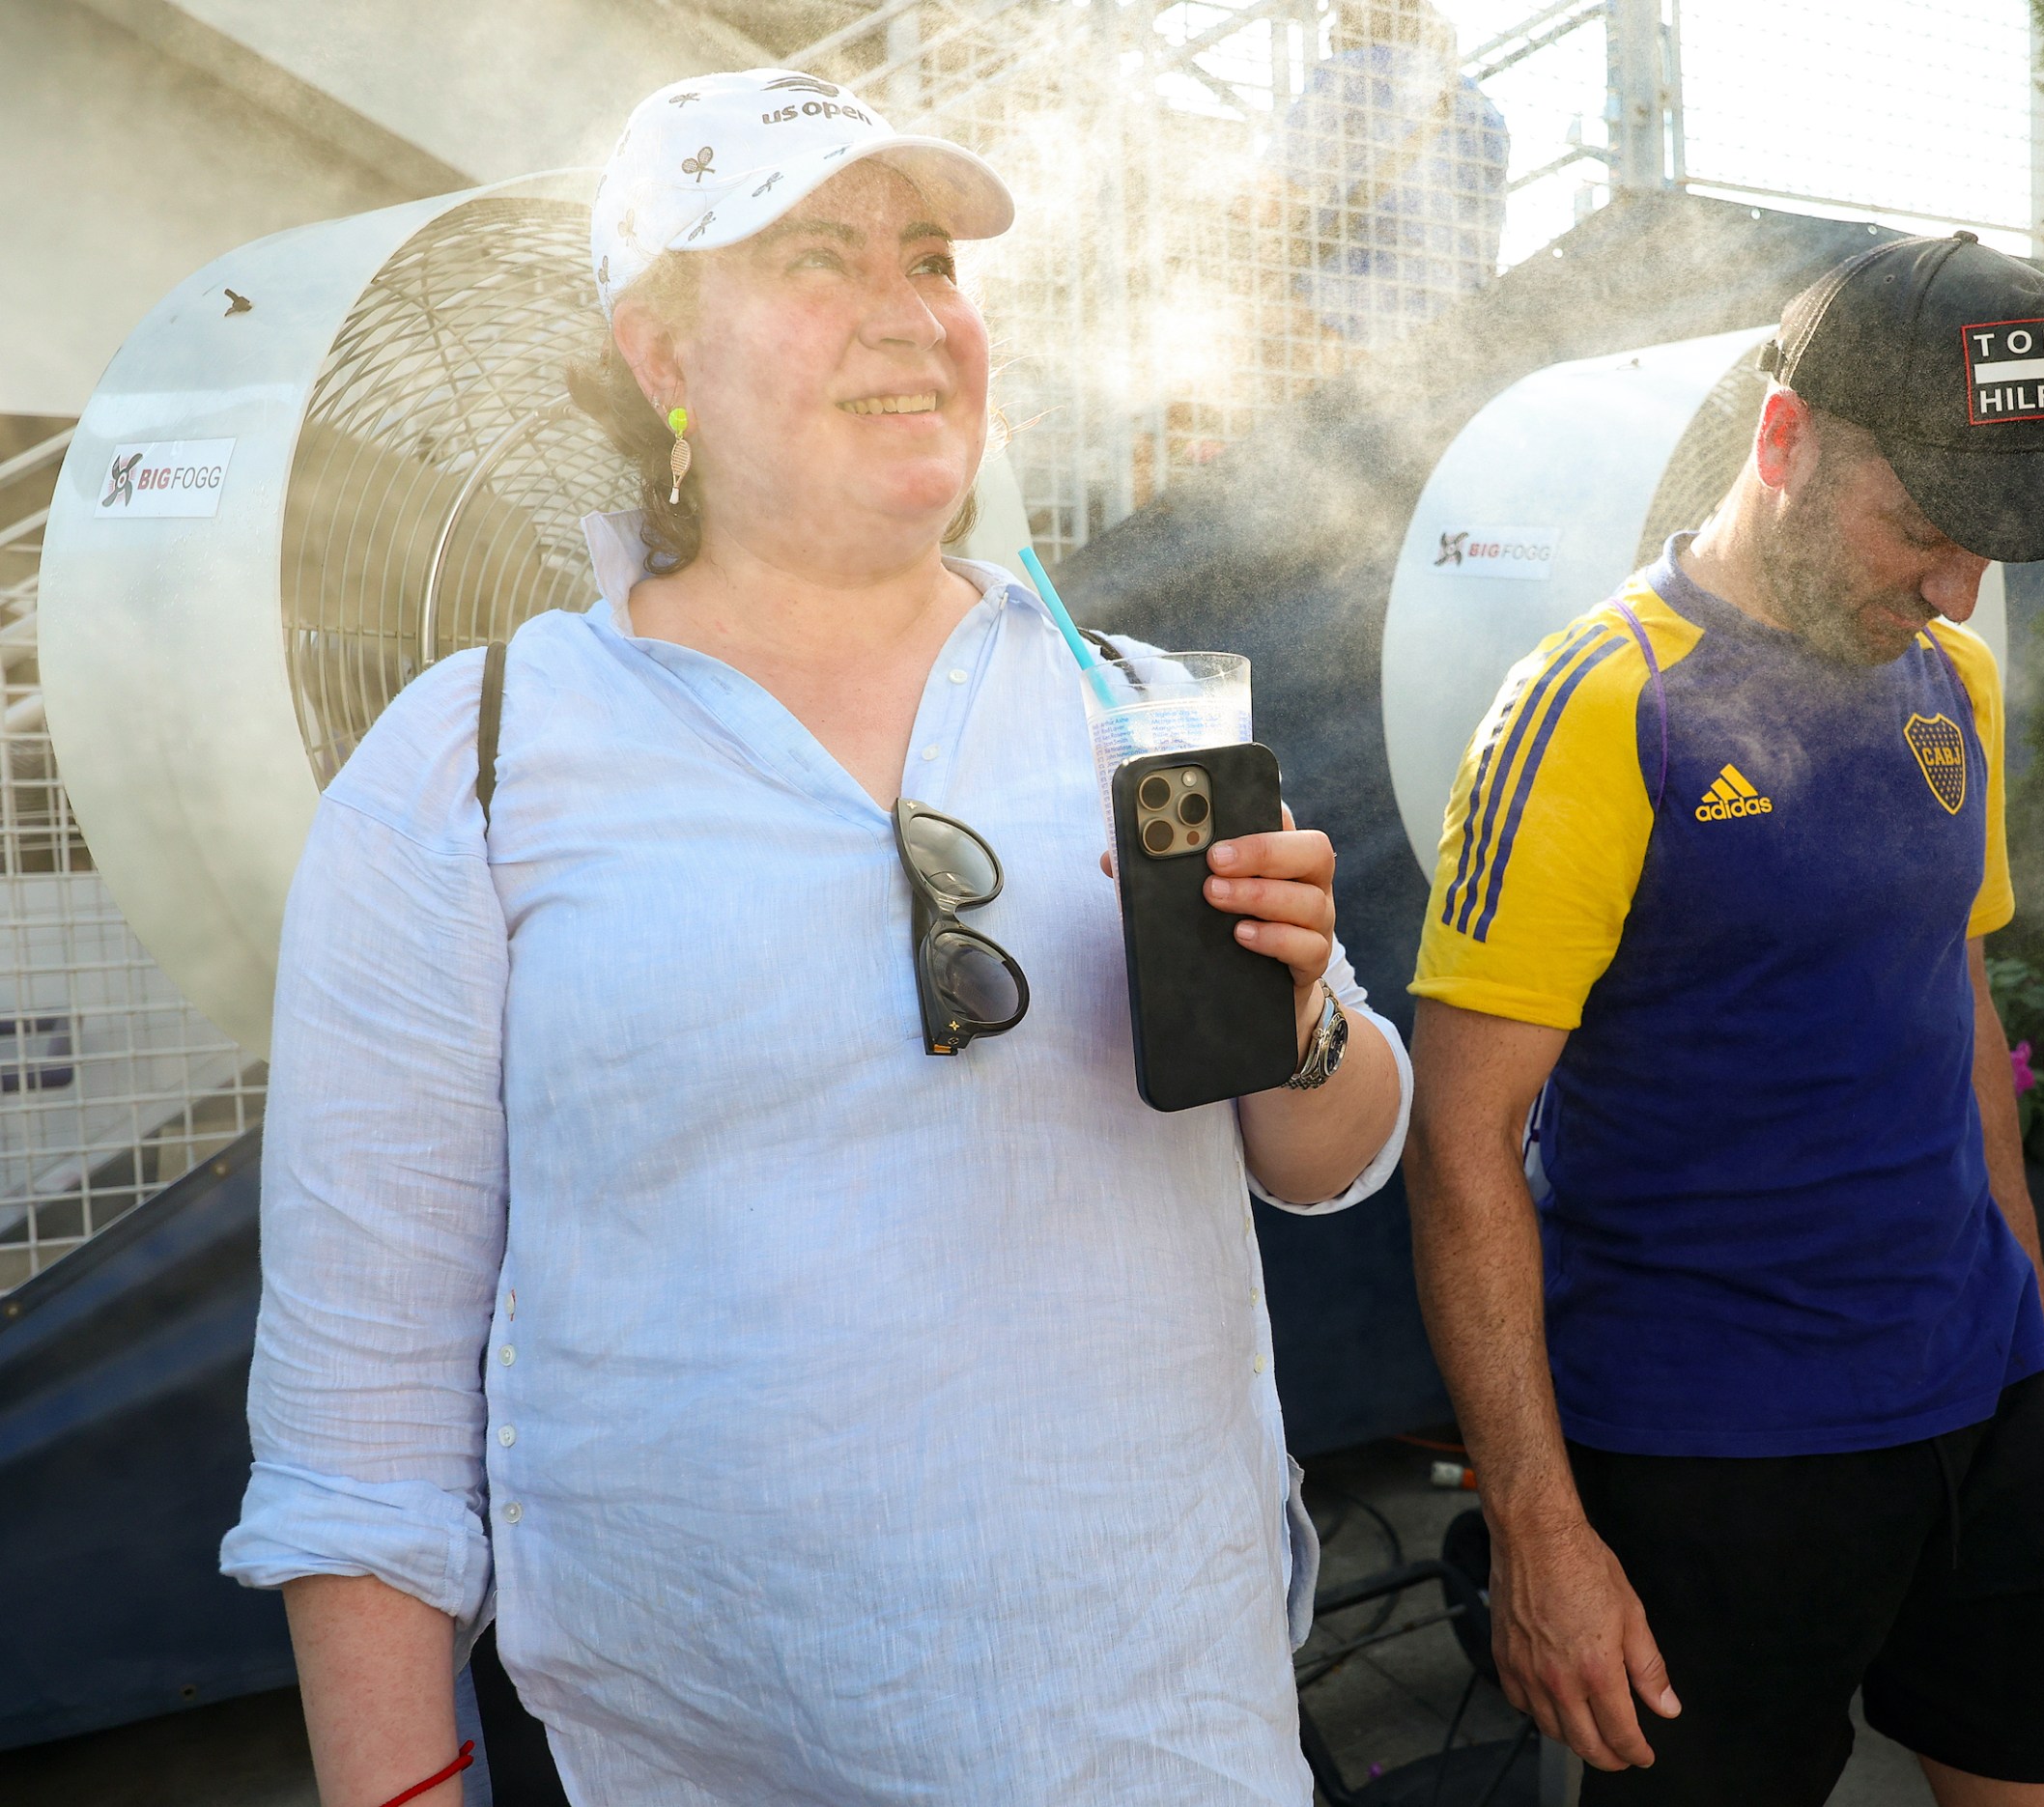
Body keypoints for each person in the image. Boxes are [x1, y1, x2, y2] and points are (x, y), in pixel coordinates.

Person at [218, 70, 1410, 1806]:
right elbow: (359, 1404)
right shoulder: (472, 765)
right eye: (814, 259)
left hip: (1166, 1736)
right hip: (703, 1758)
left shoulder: (1137, 711)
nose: (909, 315)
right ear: (662, 355)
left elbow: (1335, 1157)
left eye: (929, 258)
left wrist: (1303, 1018)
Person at [1405, 235, 2044, 1806]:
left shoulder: (1953, 680)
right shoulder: (1597, 704)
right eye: (1926, 529)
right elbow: (1458, 1139)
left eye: (1992, 546)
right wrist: (1541, 1527)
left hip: (1984, 1390)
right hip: (1710, 1457)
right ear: (1785, 441)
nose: (1958, 586)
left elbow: (1953, 1011)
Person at [1270, 0, 1508, 350]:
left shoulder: (1350, 73)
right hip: (1454, 322)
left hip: (1353, 317)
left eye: (1341, 16)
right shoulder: (1484, 113)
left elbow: (1275, 193)